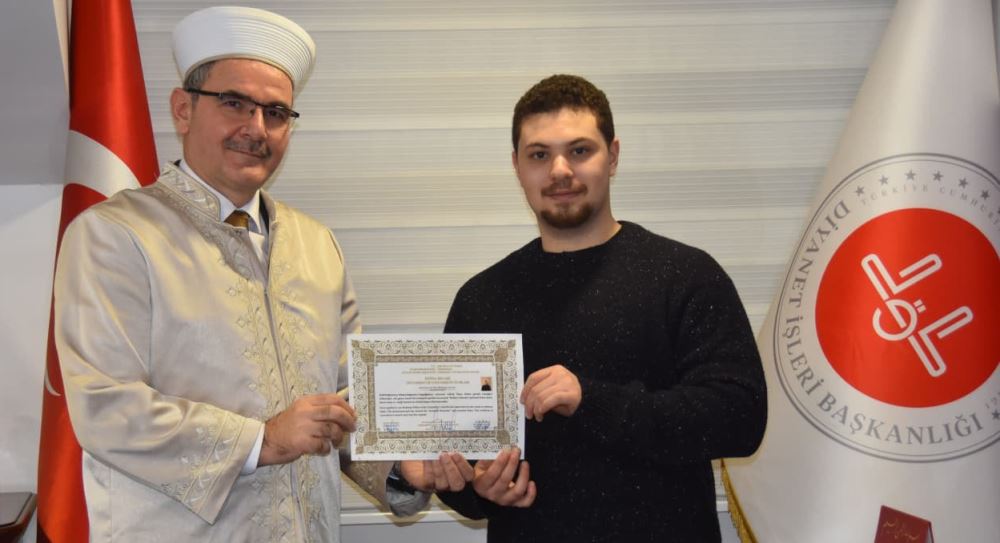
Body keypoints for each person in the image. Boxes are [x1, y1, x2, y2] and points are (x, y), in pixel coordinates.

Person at [54, 7, 469, 541]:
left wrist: (400, 466)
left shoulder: (316, 245)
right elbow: (106, 406)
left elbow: (345, 397)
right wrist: (263, 440)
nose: (256, 128)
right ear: (183, 109)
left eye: (275, 112)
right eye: (234, 103)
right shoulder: (116, 236)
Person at [436, 74, 768, 542]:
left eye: (579, 150)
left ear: (612, 157)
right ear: (516, 166)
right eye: (539, 155)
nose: (559, 171)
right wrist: (480, 488)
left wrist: (591, 400)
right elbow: (462, 464)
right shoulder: (481, 299)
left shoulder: (686, 276)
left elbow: (739, 419)